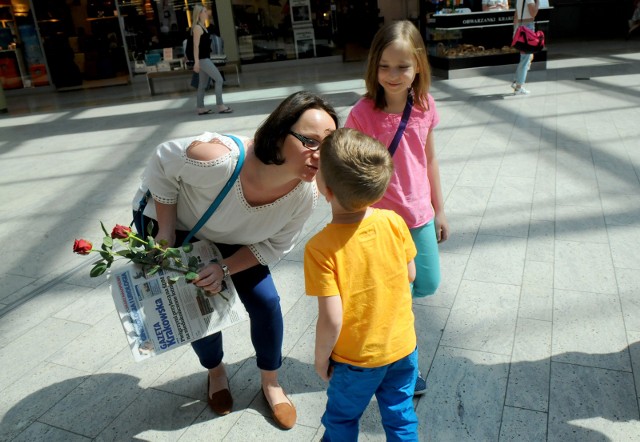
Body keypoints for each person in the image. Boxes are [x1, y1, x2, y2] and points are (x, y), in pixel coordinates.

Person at [132, 91, 338, 430]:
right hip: (187, 229)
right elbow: (161, 162)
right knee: (199, 306)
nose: (319, 155)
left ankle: (271, 382)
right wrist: (166, 232)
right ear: (279, 132)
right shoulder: (219, 159)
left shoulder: (305, 195)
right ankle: (216, 372)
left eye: (327, 145)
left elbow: (274, 246)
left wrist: (225, 268)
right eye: (309, 141)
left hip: (240, 242)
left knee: (267, 302)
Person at [344, 20, 449, 397]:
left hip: (418, 214)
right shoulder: (362, 113)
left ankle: (391, 332)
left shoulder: (424, 106)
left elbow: (430, 158)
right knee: (399, 298)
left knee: (428, 282)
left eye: (402, 66)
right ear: (374, 66)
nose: (392, 74)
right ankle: (405, 368)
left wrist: (440, 209)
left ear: (418, 65)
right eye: (385, 65)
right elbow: (349, 168)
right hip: (380, 222)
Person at [304, 128, 419, 441]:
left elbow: (332, 317)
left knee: (341, 420)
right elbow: (410, 274)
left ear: (325, 189)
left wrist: (320, 357)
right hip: (403, 348)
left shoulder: (320, 248)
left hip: (356, 360)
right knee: (400, 415)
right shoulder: (394, 221)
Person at [191, 4, 232, 115]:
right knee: (219, 80)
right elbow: (195, 46)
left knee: (202, 85)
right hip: (203, 60)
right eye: (204, 11)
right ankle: (220, 106)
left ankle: (200, 107)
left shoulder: (203, 27)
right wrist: (196, 63)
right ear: (199, 14)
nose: (207, 13)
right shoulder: (197, 28)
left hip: (205, 58)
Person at [511, 0, 539, 95]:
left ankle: (516, 82)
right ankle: (519, 87)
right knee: (526, 59)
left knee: (526, 57)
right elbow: (533, 13)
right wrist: (538, 2)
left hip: (520, 27)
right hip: (528, 28)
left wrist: (515, 31)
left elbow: (516, 15)